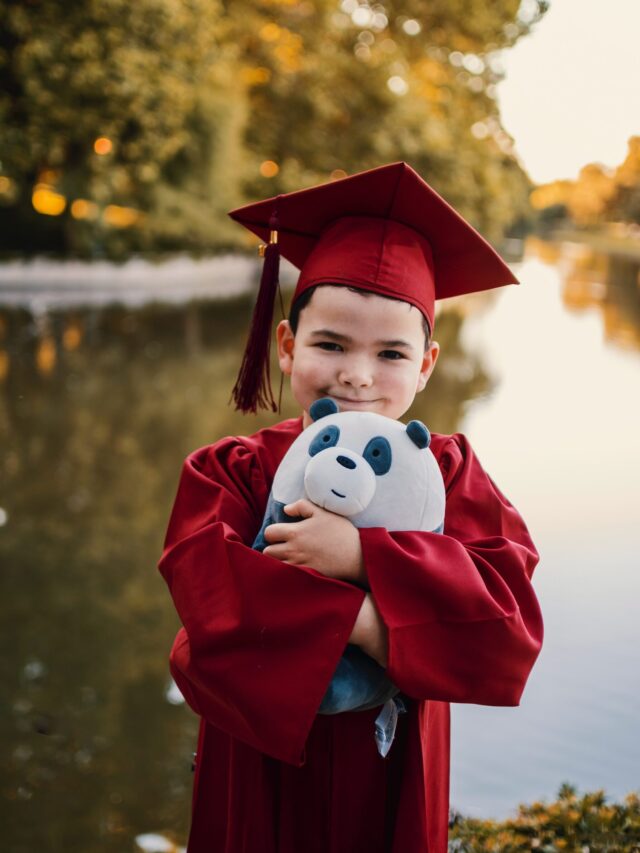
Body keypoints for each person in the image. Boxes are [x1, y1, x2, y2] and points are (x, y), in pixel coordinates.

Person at [158, 162, 543, 853]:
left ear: (426, 365)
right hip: (261, 770)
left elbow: (506, 635)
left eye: (390, 352)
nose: (357, 373)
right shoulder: (235, 473)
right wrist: (408, 617)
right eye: (330, 344)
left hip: (393, 774)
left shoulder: (453, 478)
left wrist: (364, 565)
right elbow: (212, 627)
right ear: (286, 346)